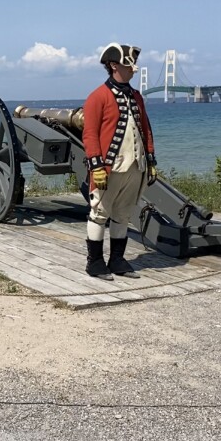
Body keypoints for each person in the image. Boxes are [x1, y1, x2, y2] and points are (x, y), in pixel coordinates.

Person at [82, 43, 157, 281]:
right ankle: (94, 262)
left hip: (135, 165)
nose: (133, 69)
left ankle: (117, 260)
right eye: (128, 65)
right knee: (99, 213)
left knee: (123, 214)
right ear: (114, 66)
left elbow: (145, 129)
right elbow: (90, 134)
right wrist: (96, 165)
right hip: (109, 167)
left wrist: (151, 159)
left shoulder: (136, 96)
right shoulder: (98, 97)